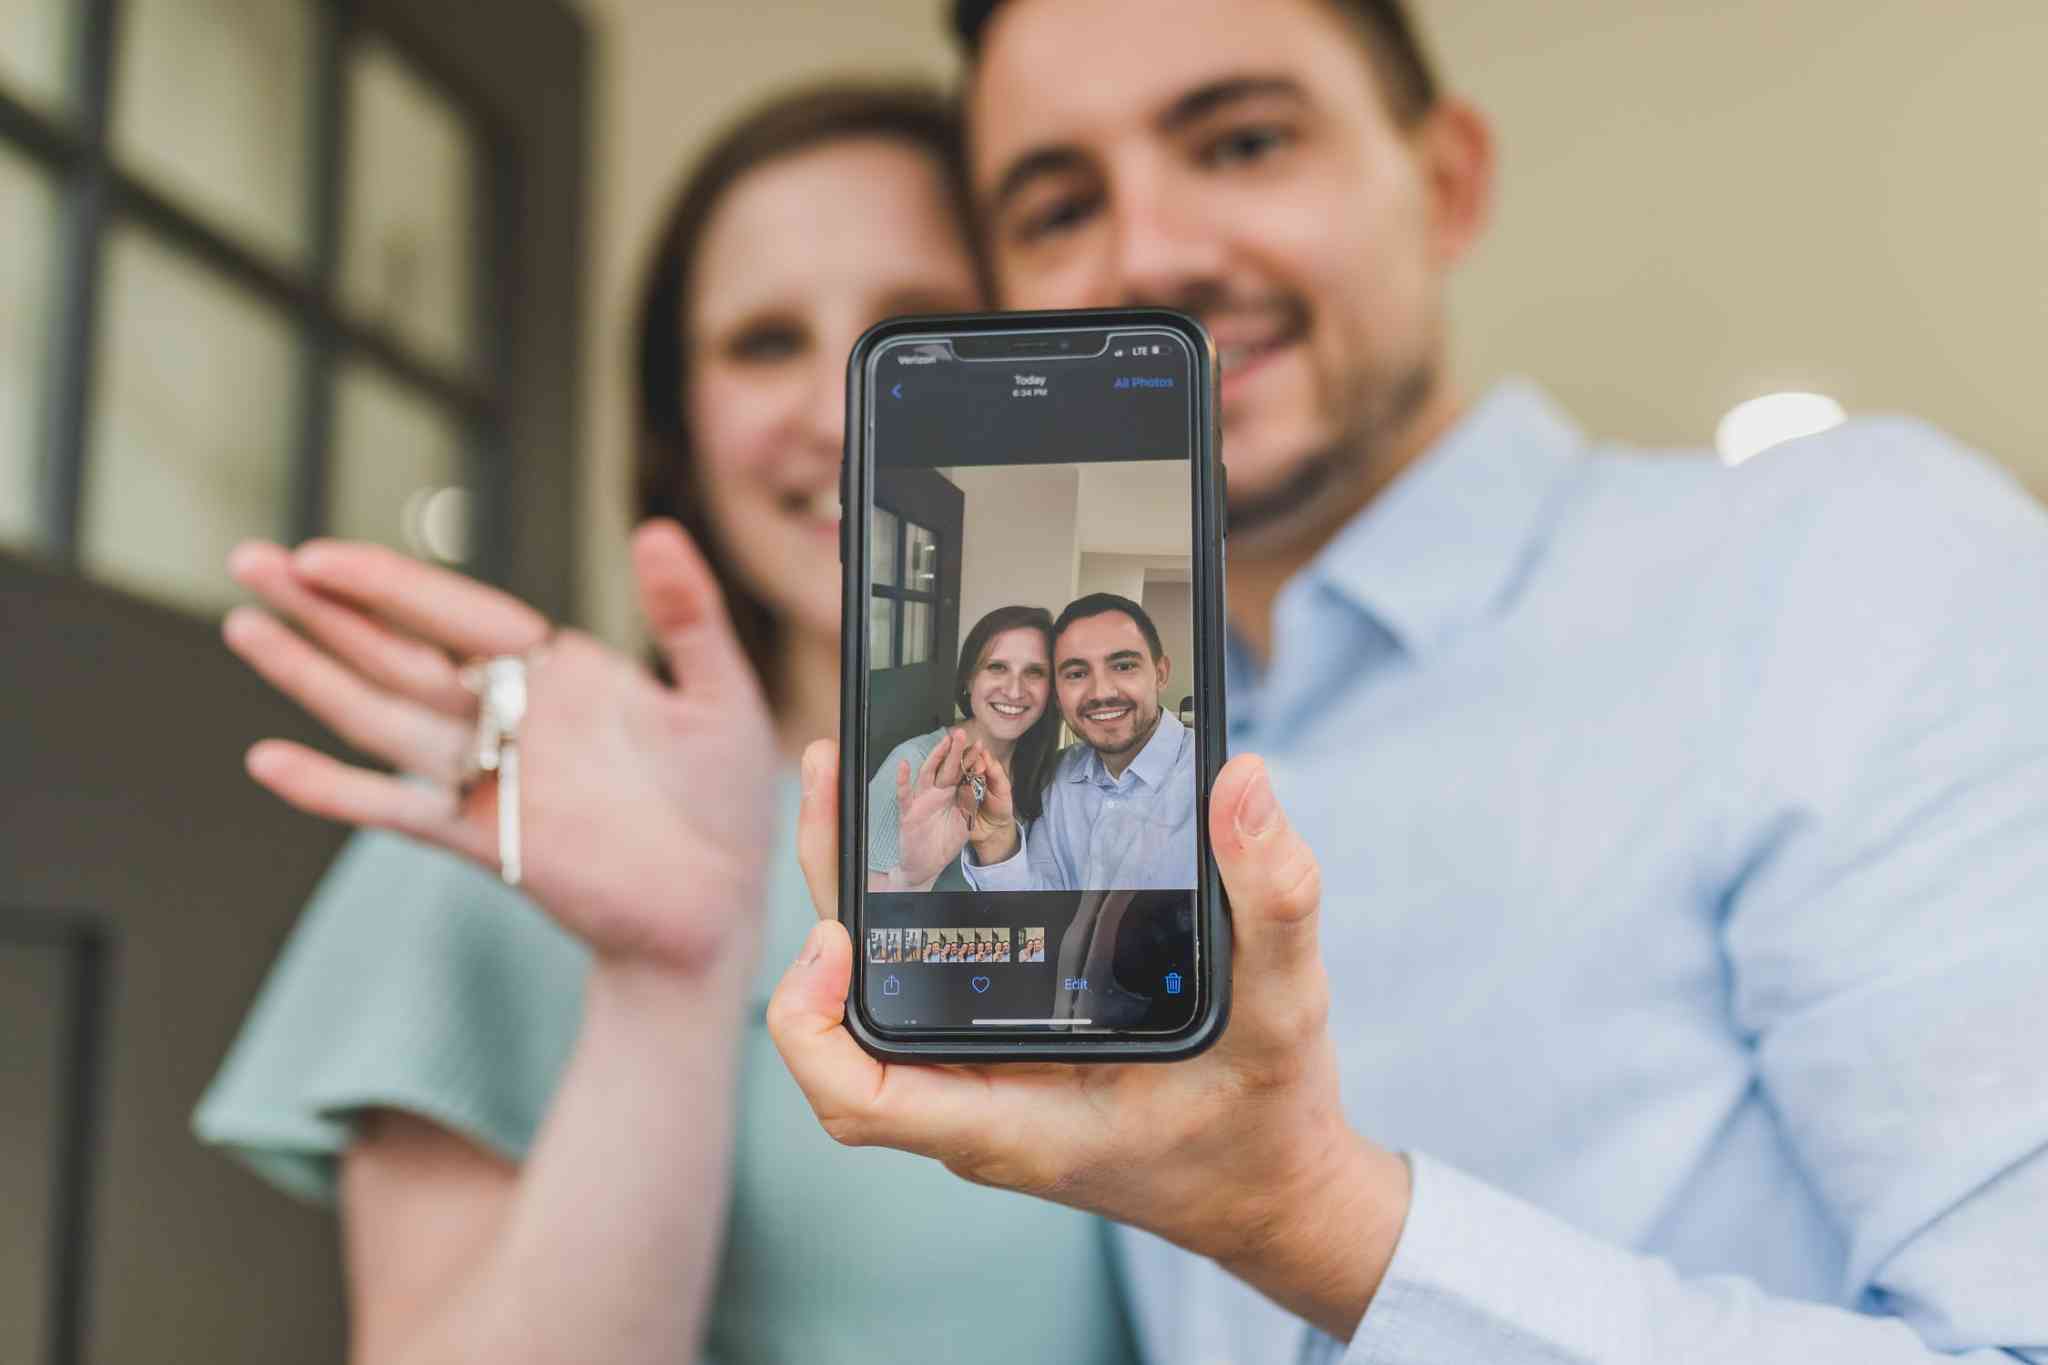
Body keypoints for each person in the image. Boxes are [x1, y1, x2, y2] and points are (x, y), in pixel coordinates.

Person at [763, 3, 2048, 1363]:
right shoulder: (1124, 752)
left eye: (1244, 141)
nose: (1149, 253)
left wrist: (1316, 1218)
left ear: (1447, 182)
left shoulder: (1859, 565)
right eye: (1058, 205)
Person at [192, 80, 1138, 1365]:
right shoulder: (499, 837)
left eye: (914, 327)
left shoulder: (1171, 822)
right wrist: (667, 983)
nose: (842, 405)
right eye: (761, 341)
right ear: (680, 429)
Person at [961, 594, 1197, 891]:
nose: (1100, 692)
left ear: (1160, 674)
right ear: (1057, 694)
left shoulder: (1216, 776)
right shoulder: (1056, 776)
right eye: (1077, 674)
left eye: (1123, 666)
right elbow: (1040, 909)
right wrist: (997, 842)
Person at [866, 604, 1058, 891]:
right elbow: (869, 909)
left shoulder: (1045, 773)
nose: (1015, 690)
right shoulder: (914, 762)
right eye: (997, 667)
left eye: (1034, 672)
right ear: (969, 678)